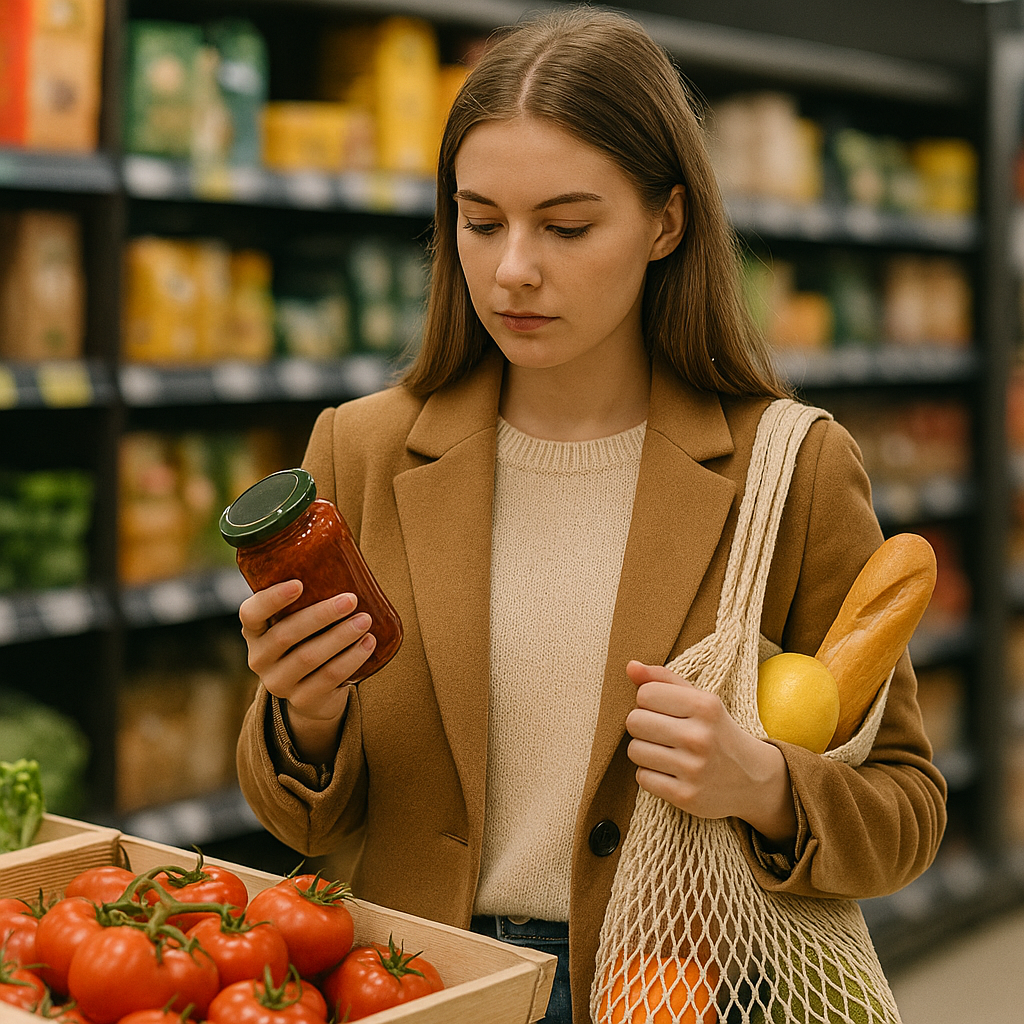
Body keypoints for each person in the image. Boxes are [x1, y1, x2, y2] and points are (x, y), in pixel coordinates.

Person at [236, 9, 946, 1024]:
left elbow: (908, 809)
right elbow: (296, 814)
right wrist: (303, 719)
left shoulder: (788, 468)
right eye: (479, 222)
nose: (514, 268)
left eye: (566, 226)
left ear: (666, 222)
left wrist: (765, 784)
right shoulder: (359, 450)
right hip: (408, 984)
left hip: (676, 990)